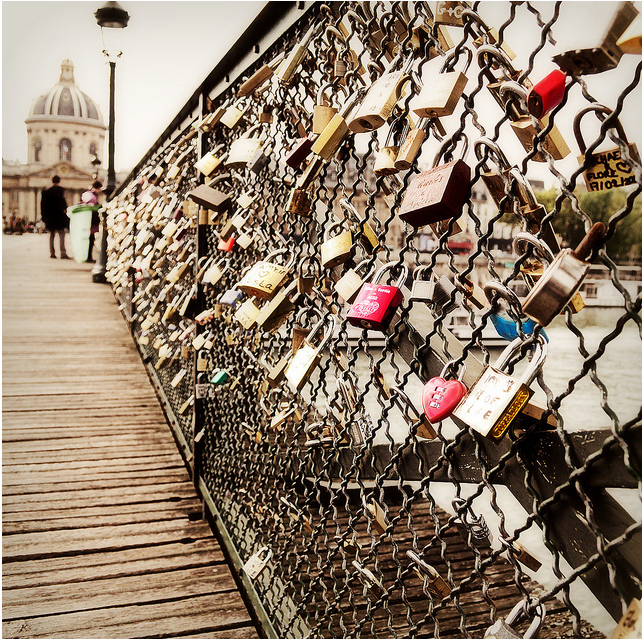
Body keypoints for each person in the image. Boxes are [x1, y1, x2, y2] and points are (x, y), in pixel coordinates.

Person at [41, 175, 69, 258]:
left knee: (51, 235)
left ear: (51, 181)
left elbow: (43, 206)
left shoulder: (46, 192)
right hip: (59, 216)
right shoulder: (60, 191)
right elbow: (64, 205)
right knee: (61, 235)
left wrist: (44, 217)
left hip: (50, 217)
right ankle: (63, 253)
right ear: (59, 181)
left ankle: (52, 253)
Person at [81, 180, 102, 263]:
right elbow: (92, 208)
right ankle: (88, 256)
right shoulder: (92, 197)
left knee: (88, 239)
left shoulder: (87, 194)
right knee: (90, 239)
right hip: (91, 222)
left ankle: (87, 256)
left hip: (87, 221)